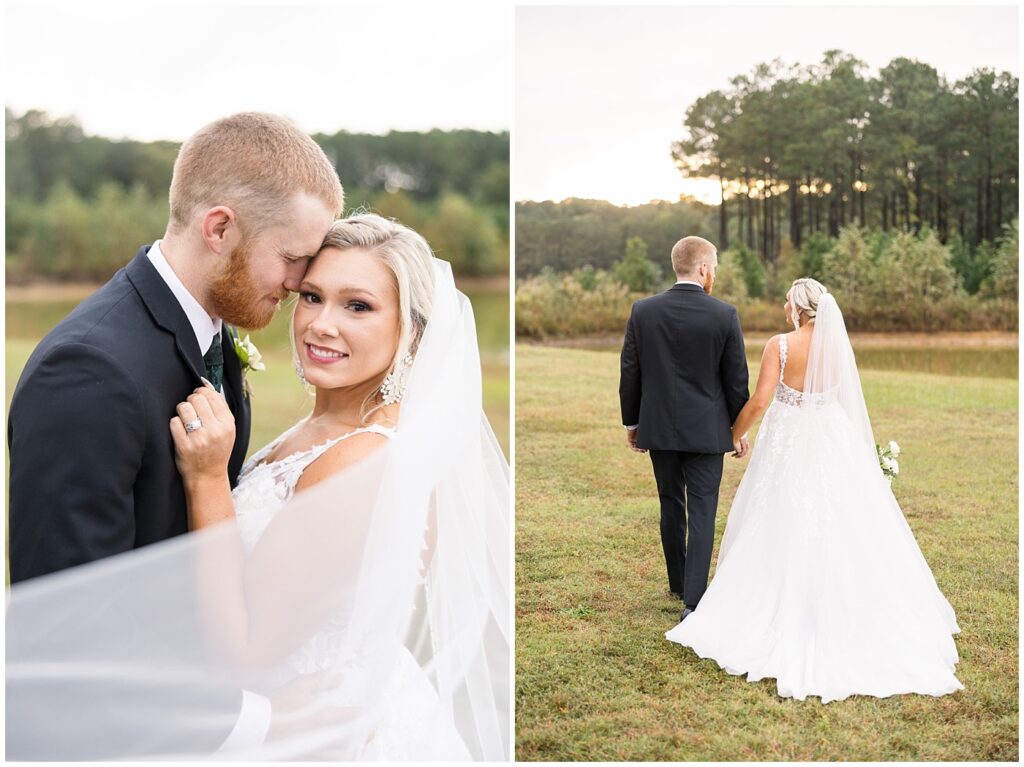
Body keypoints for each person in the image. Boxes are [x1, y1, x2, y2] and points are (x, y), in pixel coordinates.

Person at [7, 215, 511, 760]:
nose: (320, 324)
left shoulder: (365, 461)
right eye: (313, 296)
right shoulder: (322, 432)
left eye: (358, 306)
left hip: (311, 726)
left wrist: (205, 479)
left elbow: (244, 653)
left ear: (412, 329)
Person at [665, 278, 963, 703]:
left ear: (799, 308)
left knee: (779, 516)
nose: (784, 305)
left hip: (786, 441)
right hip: (829, 436)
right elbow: (844, 400)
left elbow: (759, 401)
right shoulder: (836, 347)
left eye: (787, 300)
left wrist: (733, 434)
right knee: (840, 518)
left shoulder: (779, 345)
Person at [619, 235, 749, 618]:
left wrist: (634, 422)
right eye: (715, 268)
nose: (715, 275)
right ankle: (693, 599)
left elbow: (630, 371)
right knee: (703, 509)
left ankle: (678, 584)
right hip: (708, 432)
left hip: (658, 428)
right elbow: (736, 381)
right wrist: (738, 431)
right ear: (704, 268)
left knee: (670, 503)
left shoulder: (643, 310)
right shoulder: (724, 315)